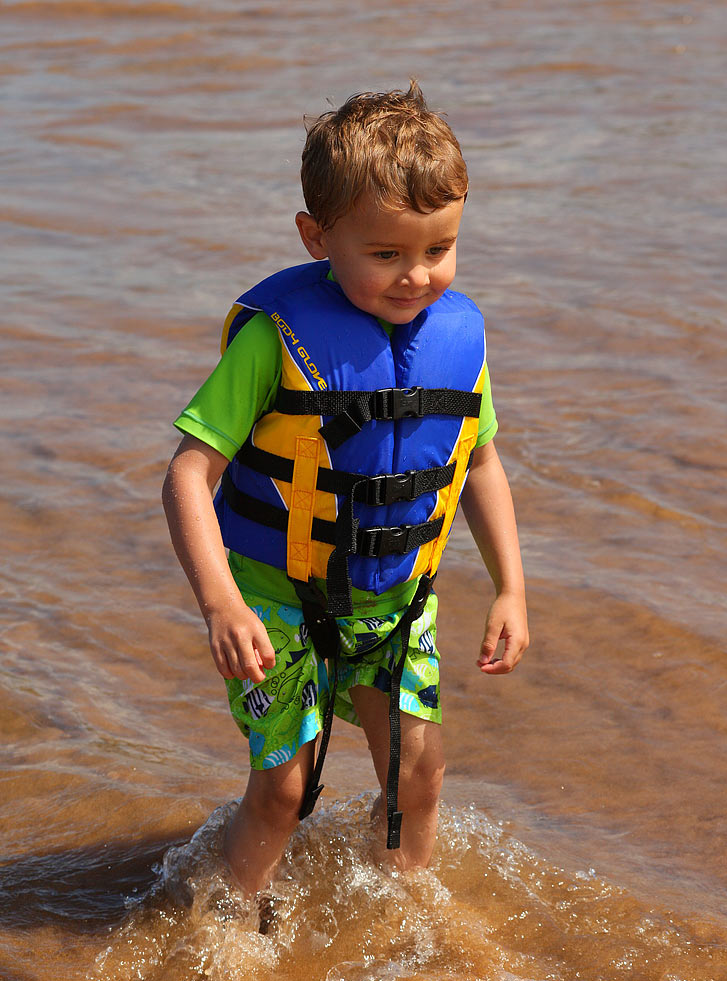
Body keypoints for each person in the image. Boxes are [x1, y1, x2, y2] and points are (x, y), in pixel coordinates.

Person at [162, 81, 528, 903]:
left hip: (396, 602)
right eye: (388, 255)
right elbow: (188, 474)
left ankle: (403, 906)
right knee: (285, 789)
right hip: (274, 602)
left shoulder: (459, 339)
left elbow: (479, 463)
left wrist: (510, 586)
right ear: (318, 238)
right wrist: (220, 602)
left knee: (419, 772)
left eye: (439, 249)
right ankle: (232, 914)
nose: (417, 277)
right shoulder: (275, 341)